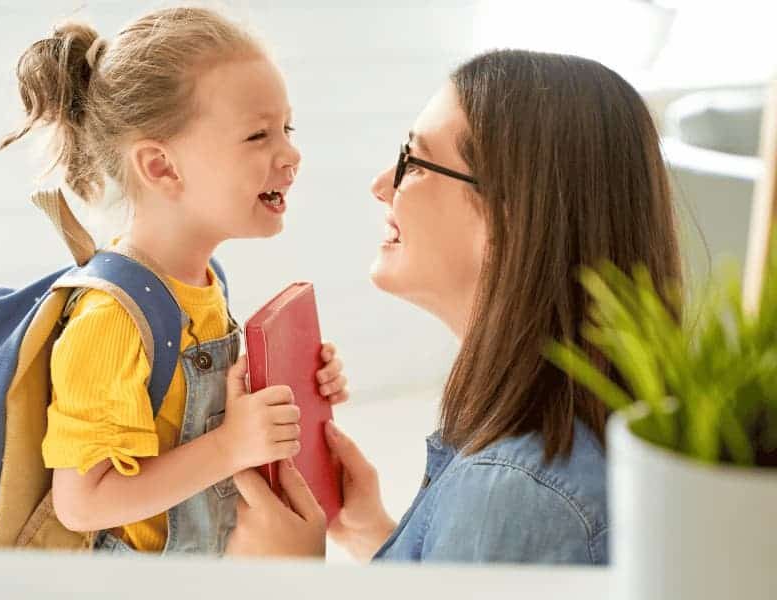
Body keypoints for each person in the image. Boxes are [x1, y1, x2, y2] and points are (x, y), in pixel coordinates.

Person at [225, 49, 682, 565]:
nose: (382, 186)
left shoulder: (513, 496)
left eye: (414, 163)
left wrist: (289, 573)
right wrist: (369, 533)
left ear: (510, 217)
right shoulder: (538, 457)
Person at [0, 7, 349, 555]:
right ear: (161, 166)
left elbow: (186, 420)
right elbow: (83, 503)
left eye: (287, 128)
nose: (291, 154)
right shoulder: (110, 319)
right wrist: (231, 445)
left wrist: (291, 389)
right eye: (258, 135)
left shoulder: (205, 282)